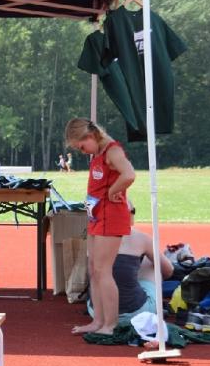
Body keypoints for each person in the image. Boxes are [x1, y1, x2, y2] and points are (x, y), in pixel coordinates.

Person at [65, 117, 135, 335]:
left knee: (103, 270)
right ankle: (98, 321)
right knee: (94, 269)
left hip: (110, 216)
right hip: (96, 216)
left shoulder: (112, 151)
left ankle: (110, 324)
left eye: (81, 146)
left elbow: (129, 174)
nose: (82, 151)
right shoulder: (98, 152)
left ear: (90, 136)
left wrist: (114, 190)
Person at [87, 200, 174, 323]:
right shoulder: (142, 238)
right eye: (132, 211)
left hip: (97, 312)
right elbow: (168, 270)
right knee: (151, 263)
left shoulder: (93, 238)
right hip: (135, 313)